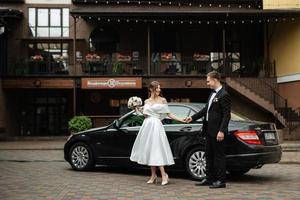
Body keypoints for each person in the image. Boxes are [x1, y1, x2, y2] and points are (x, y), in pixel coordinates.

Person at [130, 81, 185, 185]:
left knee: (157, 149)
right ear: (151, 89)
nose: (159, 90)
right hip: (147, 126)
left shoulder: (162, 100)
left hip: (156, 126)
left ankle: (164, 175)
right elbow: (146, 115)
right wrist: (137, 108)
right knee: (151, 150)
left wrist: (181, 120)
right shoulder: (146, 101)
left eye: (159, 88)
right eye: (157, 88)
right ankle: (153, 175)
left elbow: (169, 114)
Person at [185, 71, 231, 189]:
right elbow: (205, 110)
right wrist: (192, 117)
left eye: (208, 81)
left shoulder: (224, 95)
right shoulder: (212, 94)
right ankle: (209, 178)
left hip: (217, 132)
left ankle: (221, 181)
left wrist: (221, 131)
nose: (207, 83)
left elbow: (227, 115)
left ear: (215, 80)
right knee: (209, 156)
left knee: (218, 157)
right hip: (209, 131)